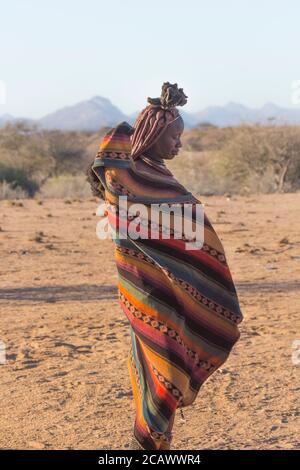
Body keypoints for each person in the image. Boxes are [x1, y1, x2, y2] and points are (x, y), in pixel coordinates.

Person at [87, 82, 243, 450]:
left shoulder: (160, 178)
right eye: (174, 136)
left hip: (176, 291)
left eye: (182, 137)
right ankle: (149, 442)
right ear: (153, 134)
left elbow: (188, 236)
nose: (180, 144)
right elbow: (111, 160)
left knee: (165, 365)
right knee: (161, 364)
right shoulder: (127, 180)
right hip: (144, 289)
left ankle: (153, 441)